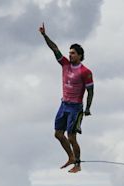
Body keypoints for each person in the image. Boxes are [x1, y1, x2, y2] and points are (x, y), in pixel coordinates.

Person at [39, 22, 94, 173]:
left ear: (80, 56)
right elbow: (54, 48)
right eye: (69, 53)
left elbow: (91, 91)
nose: (70, 55)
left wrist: (88, 108)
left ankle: (78, 164)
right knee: (58, 134)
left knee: (71, 137)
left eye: (73, 53)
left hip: (76, 108)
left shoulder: (85, 71)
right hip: (64, 105)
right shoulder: (65, 64)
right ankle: (70, 157)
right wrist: (44, 35)